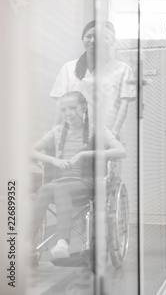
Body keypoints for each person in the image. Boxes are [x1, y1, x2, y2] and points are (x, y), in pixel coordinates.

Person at [31, 91, 126, 259]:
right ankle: (27, 243)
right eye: (64, 109)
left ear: (83, 108)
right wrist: (54, 160)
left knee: (58, 189)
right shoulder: (57, 131)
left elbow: (121, 151)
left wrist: (83, 154)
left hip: (87, 182)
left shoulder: (98, 130)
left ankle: (62, 242)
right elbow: (30, 151)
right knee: (45, 188)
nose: (68, 113)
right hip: (59, 182)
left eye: (73, 108)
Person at [50, 20, 135, 137]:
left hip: (108, 135)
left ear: (112, 41)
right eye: (88, 36)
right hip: (73, 135)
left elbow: (123, 104)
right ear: (82, 39)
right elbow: (61, 103)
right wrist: (54, 129)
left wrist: (115, 131)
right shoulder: (68, 68)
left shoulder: (123, 69)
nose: (93, 41)